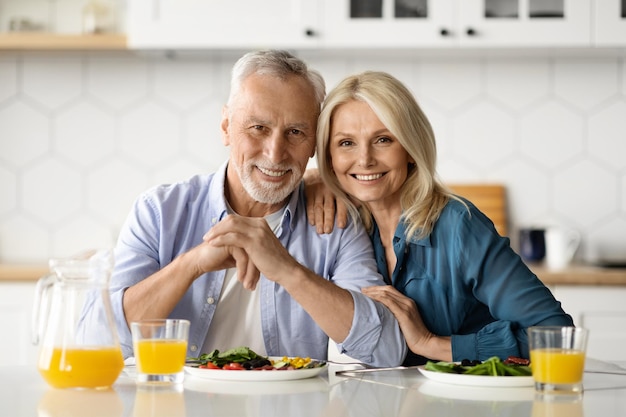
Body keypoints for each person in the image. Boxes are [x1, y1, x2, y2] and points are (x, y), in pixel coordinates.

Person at [81, 51, 406, 367]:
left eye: (295, 132)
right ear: (226, 127)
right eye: (258, 128)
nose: (276, 153)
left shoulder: (333, 220)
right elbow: (97, 342)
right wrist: (192, 264)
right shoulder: (160, 212)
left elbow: (386, 350)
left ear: (313, 145)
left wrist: (288, 271)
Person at [313, 70, 574, 365]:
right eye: (346, 143)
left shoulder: (458, 225)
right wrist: (314, 181)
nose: (364, 160)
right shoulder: (344, 225)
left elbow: (556, 337)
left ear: (410, 148)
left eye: (384, 139)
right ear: (329, 157)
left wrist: (432, 344)